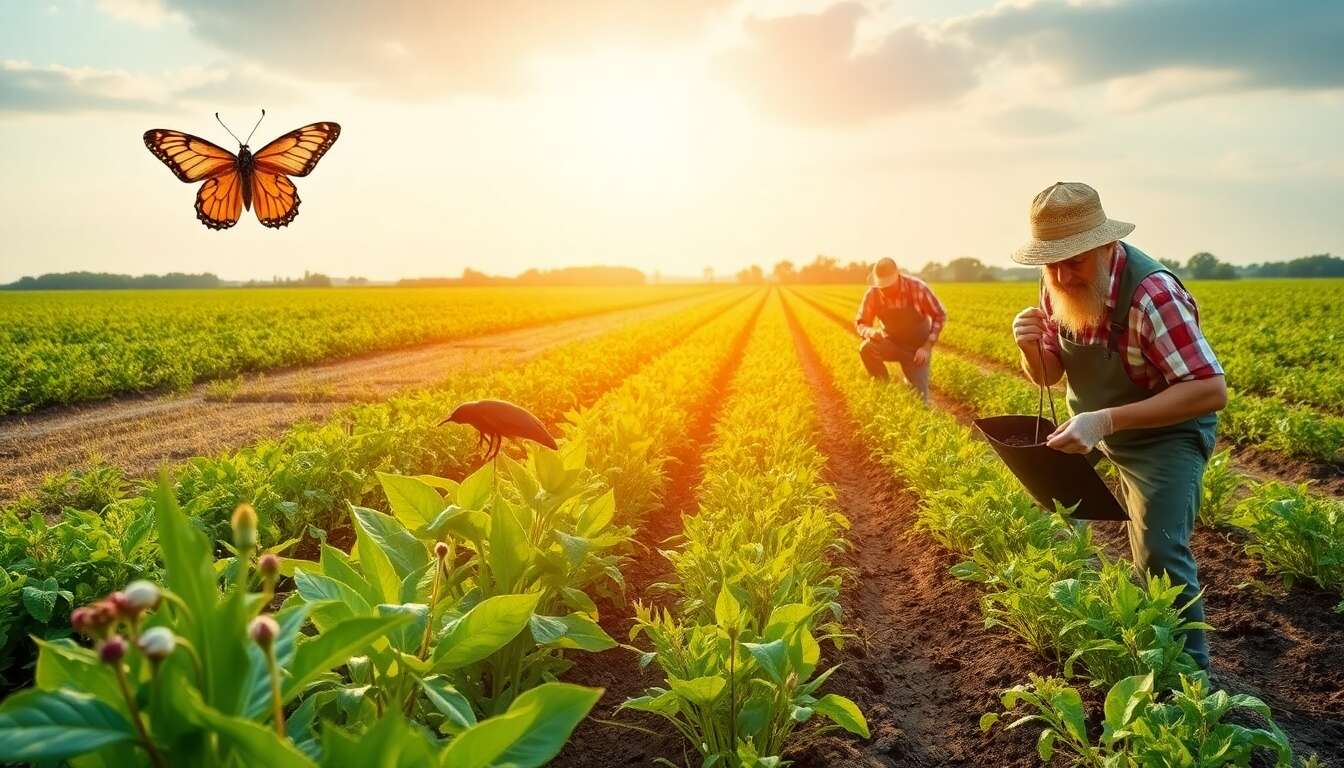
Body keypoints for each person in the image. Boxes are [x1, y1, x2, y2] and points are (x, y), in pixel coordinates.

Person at [1009, 181, 1227, 672]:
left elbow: (1209, 390)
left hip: (1166, 432)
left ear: (1106, 245)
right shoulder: (1056, 281)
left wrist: (1105, 420)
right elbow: (1050, 375)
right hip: (1094, 424)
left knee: (1160, 551)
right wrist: (1030, 349)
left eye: (1075, 260)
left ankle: (1190, 682)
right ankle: (1119, 634)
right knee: (1048, 513)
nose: (1063, 274)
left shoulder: (1153, 295)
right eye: (1052, 262)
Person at [854, 257, 946, 402]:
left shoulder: (917, 288)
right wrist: (871, 332)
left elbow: (939, 315)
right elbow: (861, 323)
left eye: (888, 286)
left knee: (919, 401)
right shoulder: (873, 294)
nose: (884, 290)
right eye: (881, 286)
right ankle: (884, 390)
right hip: (891, 343)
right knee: (867, 348)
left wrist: (927, 346)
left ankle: (910, 380)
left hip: (916, 351)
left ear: (898, 276)